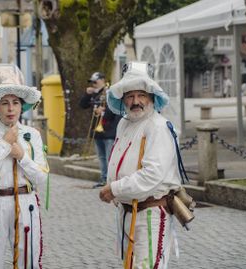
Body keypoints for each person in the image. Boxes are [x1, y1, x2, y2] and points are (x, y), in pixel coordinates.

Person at [99, 62, 186, 269]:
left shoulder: (158, 127)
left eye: (142, 95)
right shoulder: (124, 123)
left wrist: (114, 188)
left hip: (150, 213)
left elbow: (151, 175)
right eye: (130, 95)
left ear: (152, 97)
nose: (135, 101)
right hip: (127, 212)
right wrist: (114, 186)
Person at [0, 64, 49, 269]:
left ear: (22, 106)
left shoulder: (32, 135)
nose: (10, 108)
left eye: (15, 102)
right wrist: (5, 144)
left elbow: (41, 177)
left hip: (26, 202)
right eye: (5, 103)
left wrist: (22, 155)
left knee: (28, 262)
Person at [79, 72, 122, 188]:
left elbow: (115, 111)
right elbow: (82, 105)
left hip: (109, 131)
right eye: (92, 82)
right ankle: (103, 179)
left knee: (110, 158)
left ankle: (111, 181)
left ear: (103, 80)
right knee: (102, 157)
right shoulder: (94, 94)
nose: (93, 84)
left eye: (95, 81)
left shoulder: (110, 92)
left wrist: (102, 112)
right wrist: (87, 94)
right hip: (98, 132)